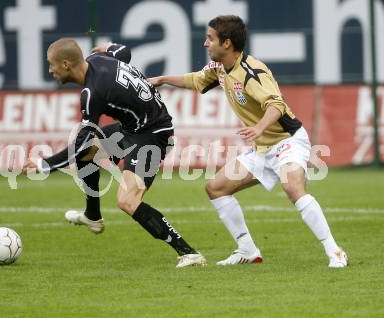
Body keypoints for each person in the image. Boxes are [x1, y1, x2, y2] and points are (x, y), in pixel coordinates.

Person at [149, 15, 348, 268]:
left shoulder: (252, 72)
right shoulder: (219, 68)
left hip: (288, 141)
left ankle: (335, 252)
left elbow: (276, 104)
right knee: (216, 187)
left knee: (293, 188)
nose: (205, 44)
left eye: (210, 38)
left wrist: (259, 127)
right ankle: (247, 250)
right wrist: (162, 79)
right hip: (263, 148)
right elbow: (196, 81)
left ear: (227, 43)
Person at [22, 38, 206, 268]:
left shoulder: (92, 92)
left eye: (51, 65)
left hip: (153, 135)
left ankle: (189, 253)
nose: (50, 70)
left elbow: (81, 141)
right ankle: (93, 216)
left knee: (127, 200)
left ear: (67, 64)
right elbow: (124, 52)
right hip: (132, 129)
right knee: (88, 154)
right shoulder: (98, 59)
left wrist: (45, 165)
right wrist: (110, 46)